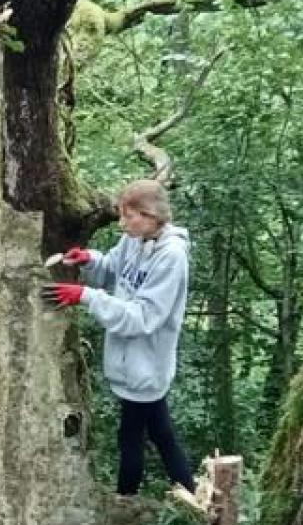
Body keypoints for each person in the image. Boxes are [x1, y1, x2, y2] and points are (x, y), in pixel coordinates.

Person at [42, 179, 197, 496]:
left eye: (129, 216)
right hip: (130, 363)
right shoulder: (134, 240)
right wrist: (90, 260)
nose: (122, 223)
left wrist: (86, 296)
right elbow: (114, 267)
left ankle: (129, 503)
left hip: (147, 363)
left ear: (151, 215)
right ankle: (191, 502)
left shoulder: (171, 257)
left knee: (135, 436)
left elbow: (142, 317)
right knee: (156, 433)